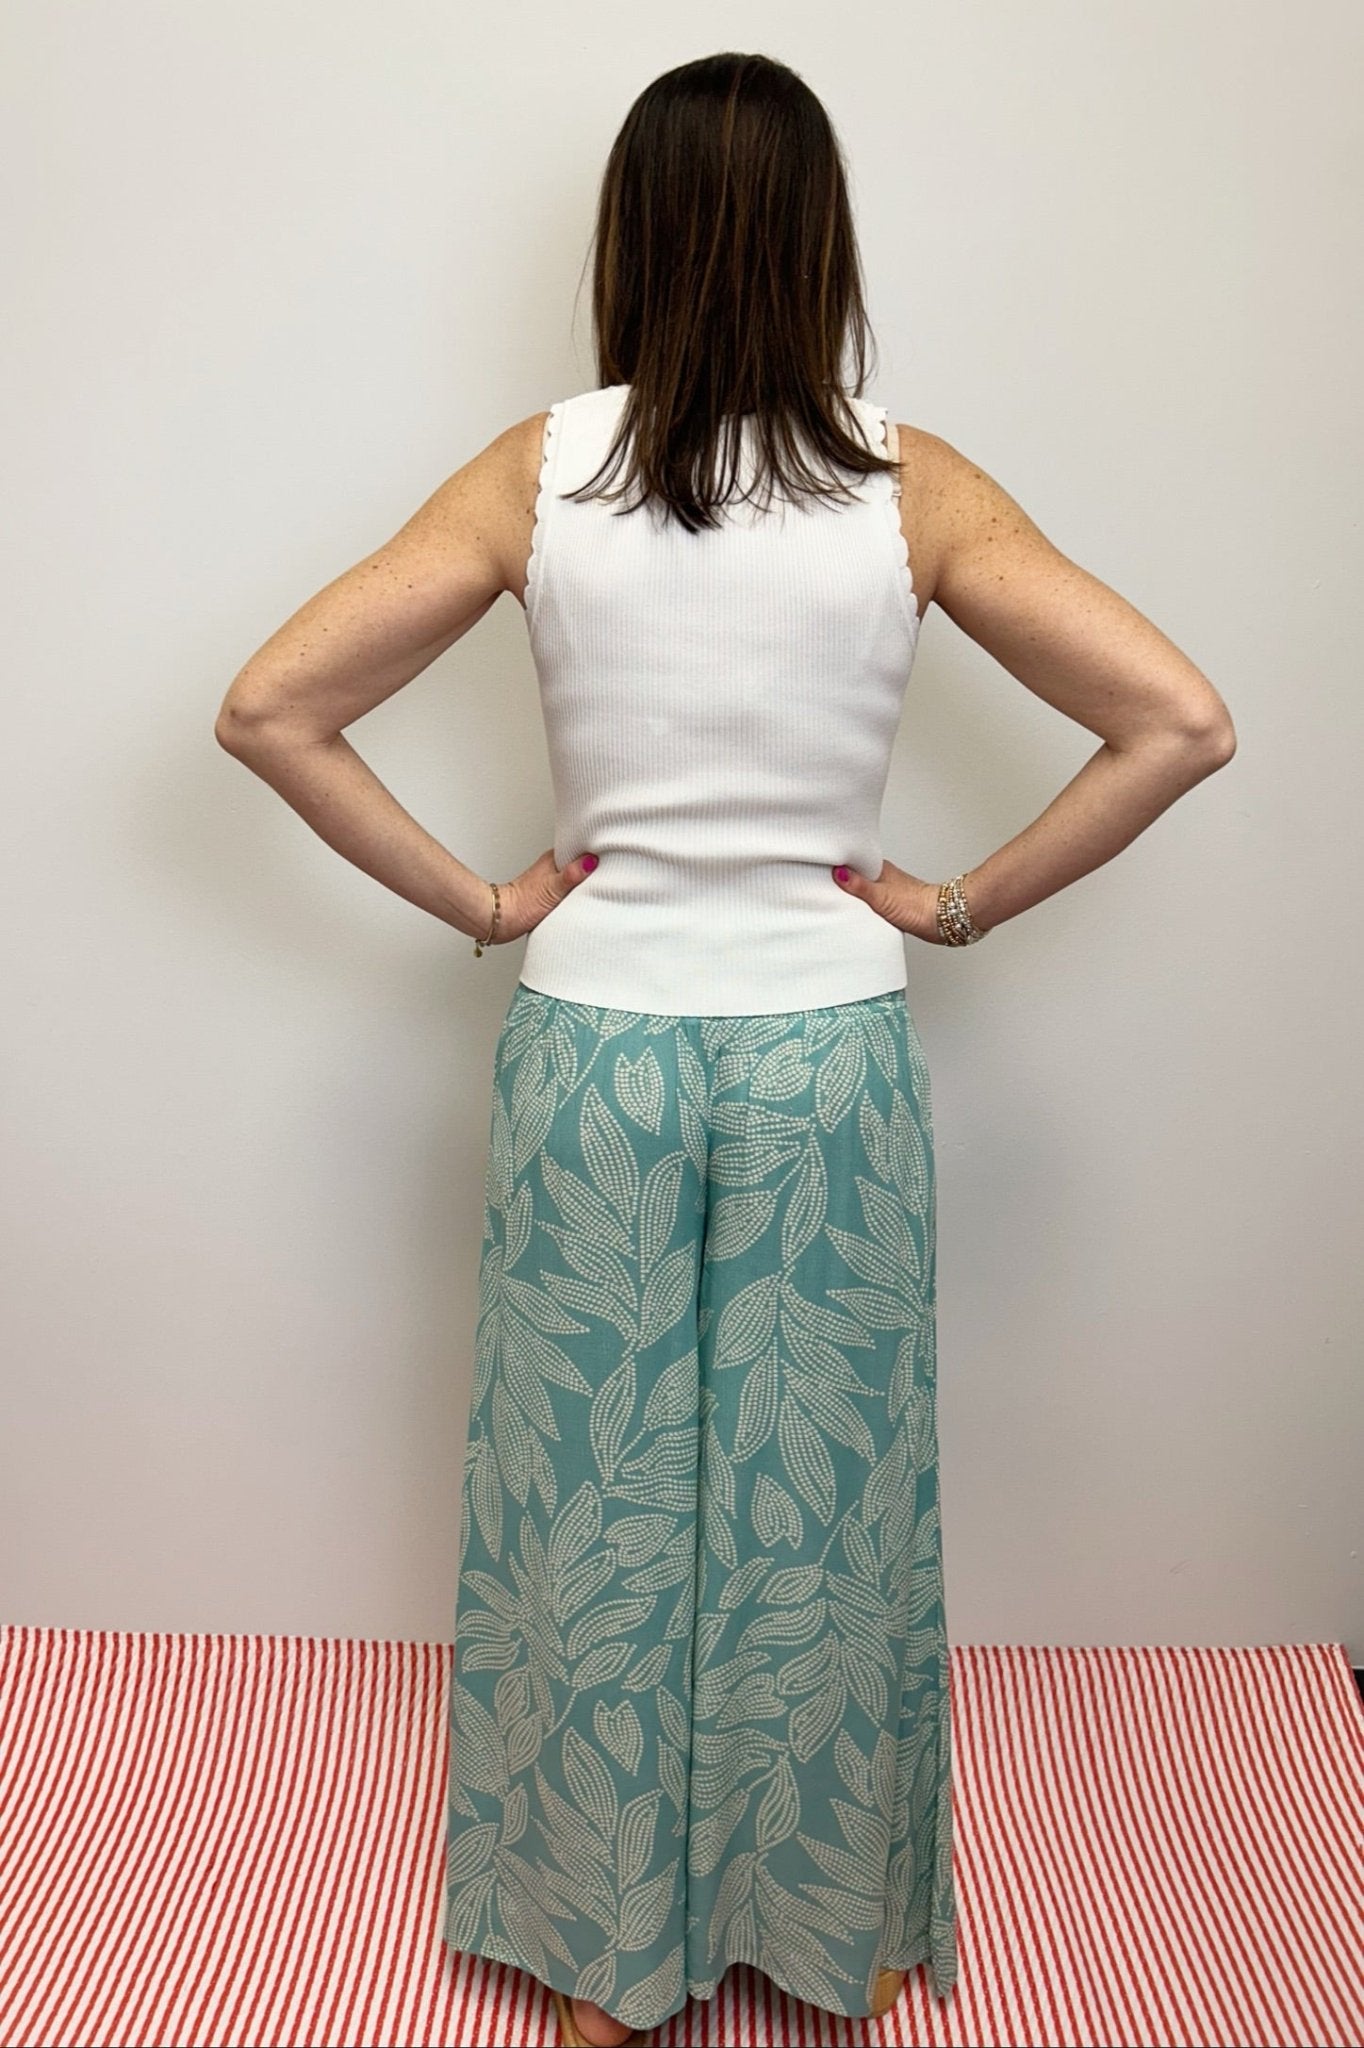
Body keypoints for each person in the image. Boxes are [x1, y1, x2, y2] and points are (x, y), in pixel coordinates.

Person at [213, 49, 1237, 2048]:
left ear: (632, 240)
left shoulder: (539, 472)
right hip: (827, 1058)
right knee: (823, 1520)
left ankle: (606, 1973)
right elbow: (1181, 721)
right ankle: (834, 1933)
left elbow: (269, 708)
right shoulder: (913, 484)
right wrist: (952, 903)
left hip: (595, 1051)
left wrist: (489, 903)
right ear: (822, 246)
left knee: (591, 1514)